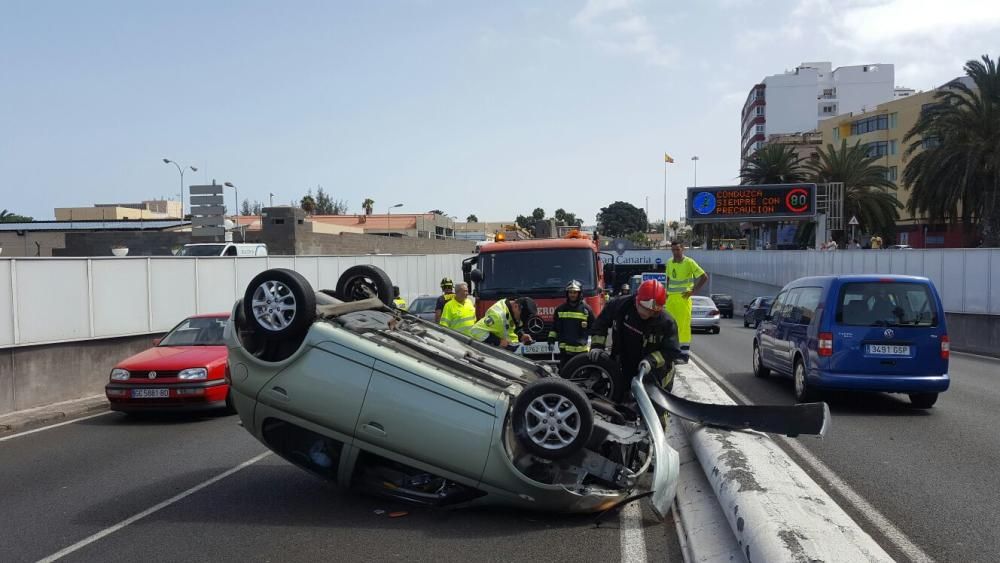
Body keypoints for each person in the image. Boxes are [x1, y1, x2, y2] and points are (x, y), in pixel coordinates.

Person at [588, 279, 683, 393]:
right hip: (624, 365)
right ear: (637, 300)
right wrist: (597, 346)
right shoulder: (620, 306)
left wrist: (650, 361)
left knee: (650, 407)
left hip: (656, 376)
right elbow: (601, 323)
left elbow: (671, 351)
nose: (647, 314)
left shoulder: (667, 322)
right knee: (620, 401)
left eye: (652, 311)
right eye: (644, 309)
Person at [665, 240, 708, 363]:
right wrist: (666, 293)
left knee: (683, 327)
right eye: (673, 250)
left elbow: (704, 276)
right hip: (671, 298)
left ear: (683, 249)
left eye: (677, 249)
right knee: (670, 326)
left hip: (683, 299)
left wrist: (693, 291)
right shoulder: (669, 262)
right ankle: (672, 352)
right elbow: (668, 279)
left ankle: (684, 355)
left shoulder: (689, 262)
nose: (675, 252)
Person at [547, 280, 596, 367]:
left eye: (575, 292)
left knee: (581, 376)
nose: (572, 295)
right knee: (564, 375)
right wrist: (551, 341)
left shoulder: (586, 310)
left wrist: (595, 346)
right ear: (567, 293)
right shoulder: (560, 309)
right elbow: (554, 328)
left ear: (579, 293)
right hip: (565, 352)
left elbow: (594, 328)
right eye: (570, 292)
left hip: (581, 352)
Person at [470, 296, 538, 349]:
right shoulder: (497, 315)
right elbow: (476, 330)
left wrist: (522, 335)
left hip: (510, 353)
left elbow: (512, 326)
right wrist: (498, 341)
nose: (520, 319)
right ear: (516, 306)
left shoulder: (512, 310)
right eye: (521, 316)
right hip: (497, 356)